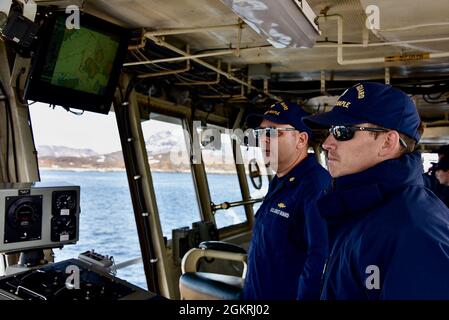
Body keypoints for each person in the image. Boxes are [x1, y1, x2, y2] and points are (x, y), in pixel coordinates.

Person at [302, 82, 449, 299]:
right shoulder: (361, 209)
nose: (326, 143)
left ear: (387, 142)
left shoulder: (414, 232)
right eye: (329, 131)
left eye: (342, 131)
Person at [243, 101, 331, 300]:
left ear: (301, 139)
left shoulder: (316, 185)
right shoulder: (280, 180)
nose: (264, 140)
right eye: (260, 133)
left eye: (274, 133)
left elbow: (321, 260)